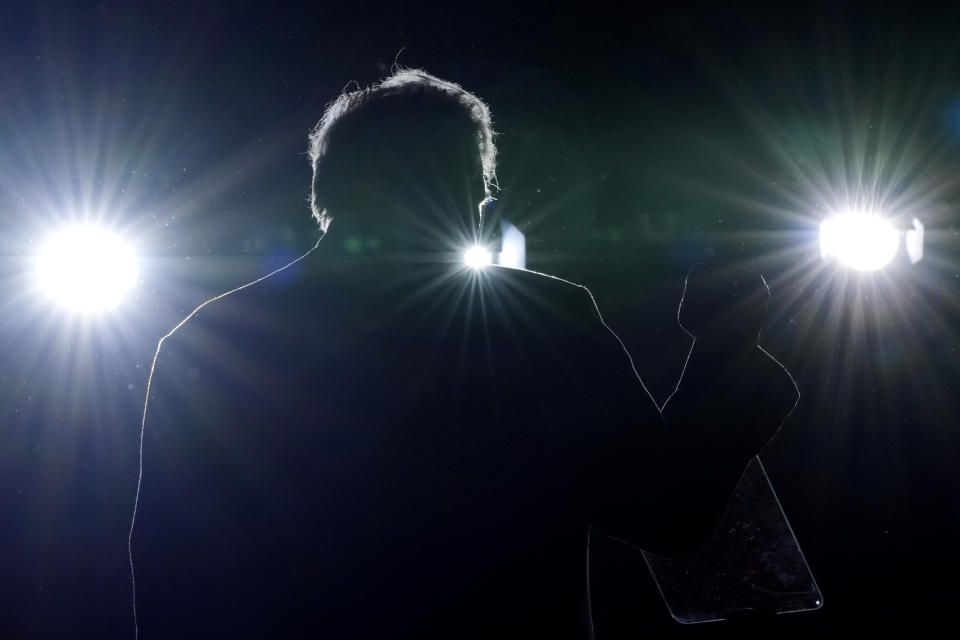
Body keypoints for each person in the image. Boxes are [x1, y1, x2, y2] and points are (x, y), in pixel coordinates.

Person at [134, 69, 797, 638]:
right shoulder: (543, 320)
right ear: (476, 205)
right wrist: (727, 353)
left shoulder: (214, 340)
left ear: (329, 196)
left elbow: (169, 576)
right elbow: (665, 514)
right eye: (466, 188)